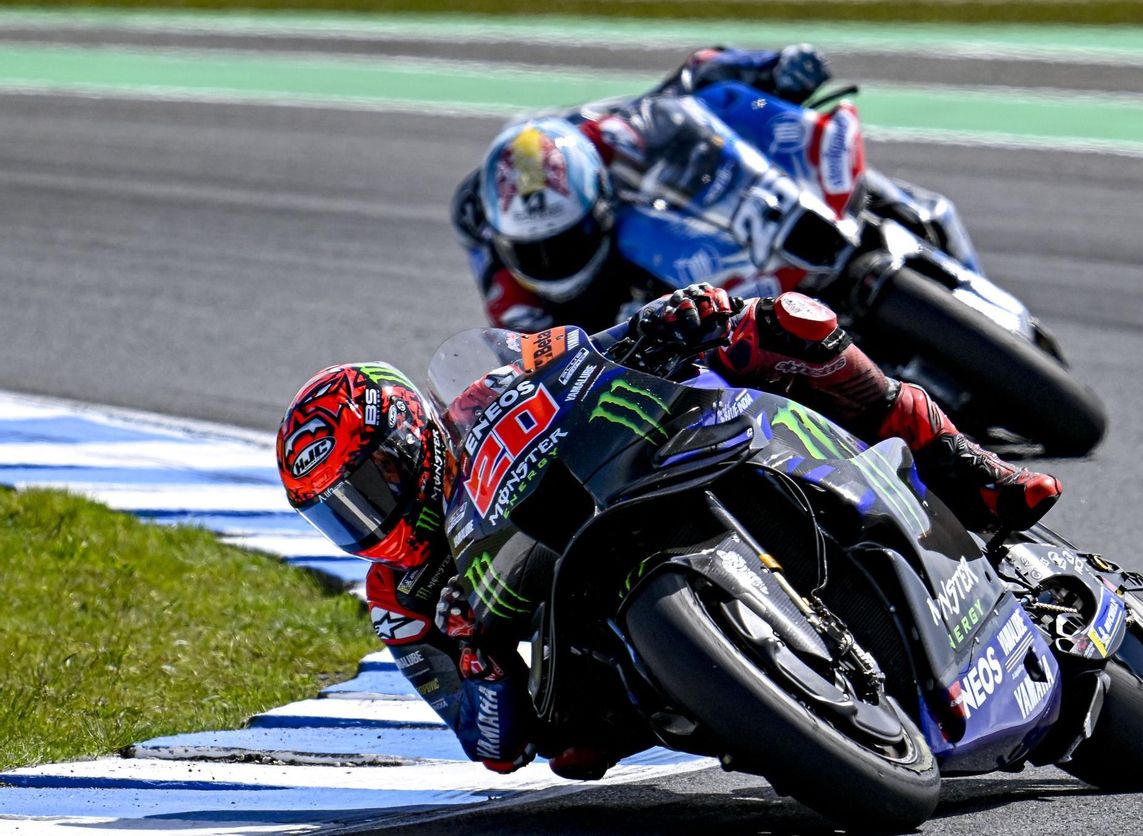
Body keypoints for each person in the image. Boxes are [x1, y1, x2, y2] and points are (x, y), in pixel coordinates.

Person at [276, 284, 1061, 780]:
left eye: (369, 487)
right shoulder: (398, 596)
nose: (369, 519)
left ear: (410, 437)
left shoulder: (486, 391)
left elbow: (571, 350)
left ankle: (959, 460)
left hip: (634, 477)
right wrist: (480, 665)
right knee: (572, 756)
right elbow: (493, 748)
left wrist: (655, 321)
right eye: (340, 513)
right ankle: (764, 710)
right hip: (581, 640)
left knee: (780, 323)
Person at [450, 44, 979, 333]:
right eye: (534, 249)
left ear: (599, 205)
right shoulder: (490, 248)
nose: (549, 257)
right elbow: (526, 353)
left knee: (906, 198)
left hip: (674, 227)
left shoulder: (610, 138)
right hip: (612, 314)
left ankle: (927, 246)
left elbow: (695, 78)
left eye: (565, 240)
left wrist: (773, 69)